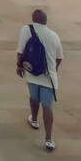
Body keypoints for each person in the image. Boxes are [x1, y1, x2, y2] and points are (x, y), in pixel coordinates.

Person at [16, 9, 62, 152]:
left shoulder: (27, 29)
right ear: (46, 21)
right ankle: (48, 139)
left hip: (32, 74)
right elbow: (59, 57)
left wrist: (19, 66)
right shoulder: (54, 35)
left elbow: (20, 50)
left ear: (34, 19)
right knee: (47, 106)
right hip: (49, 76)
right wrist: (53, 70)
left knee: (34, 98)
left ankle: (34, 119)